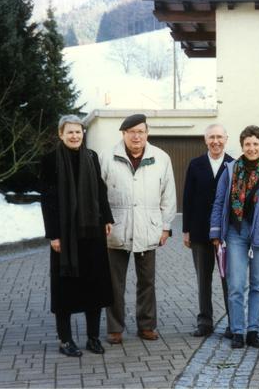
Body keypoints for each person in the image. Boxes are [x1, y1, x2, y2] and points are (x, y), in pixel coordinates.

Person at [39, 114, 114, 357]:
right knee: (65, 289)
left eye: (78, 131)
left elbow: (100, 189)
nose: (75, 136)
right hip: (65, 235)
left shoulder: (91, 157)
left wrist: (108, 218)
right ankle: (65, 340)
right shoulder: (50, 160)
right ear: (61, 134)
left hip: (92, 230)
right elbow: (48, 200)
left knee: (95, 285)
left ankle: (93, 338)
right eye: (69, 132)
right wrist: (53, 235)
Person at [100, 114, 177, 344]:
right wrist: (101, 220)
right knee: (114, 283)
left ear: (147, 133)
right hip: (115, 229)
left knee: (147, 282)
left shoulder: (161, 158)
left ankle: (147, 325)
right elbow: (98, 195)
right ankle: (115, 328)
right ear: (123, 134)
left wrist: (165, 227)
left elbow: (169, 195)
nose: (136, 136)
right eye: (131, 132)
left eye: (141, 131)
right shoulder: (107, 157)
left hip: (148, 228)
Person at [210, 125, 259, 349]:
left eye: (255, 144)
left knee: (258, 284)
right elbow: (218, 202)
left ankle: (253, 330)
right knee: (235, 284)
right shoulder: (231, 169)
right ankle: (237, 331)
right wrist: (215, 231)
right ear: (242, 146)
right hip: (235, 233)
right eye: (247, 144)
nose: (251, 148)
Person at [182, 124, 233, 338]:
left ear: (226, 139)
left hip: (226, 233)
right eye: (211, 137)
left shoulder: (234, 165)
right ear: (205, 140)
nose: (215, 141)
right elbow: (188, 198)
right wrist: (186, 230)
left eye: (219, 137)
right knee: (204, 278)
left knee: (228, 278)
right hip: (200, 232)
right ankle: (205, 322)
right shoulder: (196, 165)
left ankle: (234, 322)